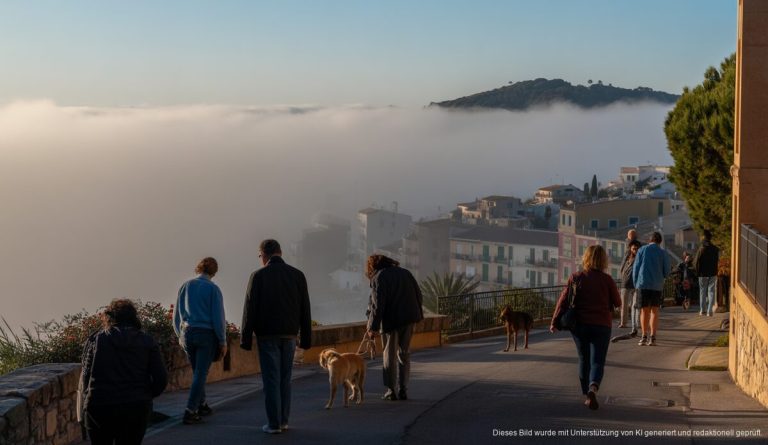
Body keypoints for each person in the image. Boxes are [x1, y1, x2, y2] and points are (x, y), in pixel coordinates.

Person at [240, 239, 312, 434]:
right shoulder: (297, 275)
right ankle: (284, 420)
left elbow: (249, 309)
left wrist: (245, 339)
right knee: (285, 379)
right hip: (289, 335)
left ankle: (273, 424)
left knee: (271, 379)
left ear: (264, 255)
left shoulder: (258, 276)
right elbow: (305, 309)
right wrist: (306, 338)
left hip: (267, 336)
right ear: (280, 253)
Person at [79, 299, 167, 445]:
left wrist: (88, 399)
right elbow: (161, 379)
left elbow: (86, 376)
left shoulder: (96, 340)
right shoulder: (147, 341)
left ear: (109, 318)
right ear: (134, 318)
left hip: (100, 406)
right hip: (136, 407)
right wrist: (145, 395)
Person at [550, 245, 621, 410]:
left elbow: (563, 300)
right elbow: (618, 302)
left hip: (580, 325)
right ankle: (593, 389)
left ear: (586, 258)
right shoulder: (608, 280)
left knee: (584, 359)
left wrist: (554, 322)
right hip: (602, 325)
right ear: (604, 260)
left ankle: (586, 395)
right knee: (597, 361)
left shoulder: (576, 277)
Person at [174, 257, 228, 424]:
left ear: (198, 268)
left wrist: (179, 336)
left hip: (188, 333)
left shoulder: (186, 286)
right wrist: (222, 341)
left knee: (197, 370)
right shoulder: (213, 289)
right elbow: (218, 318)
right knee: (201, 373)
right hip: (206, 335)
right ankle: (190, 410)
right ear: (214, 272)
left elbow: (177, 316)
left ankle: (202, 404)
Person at [365, 254, 424, 401]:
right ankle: (403, 389)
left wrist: (372, 328)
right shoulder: (405, 272)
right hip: (409, 318)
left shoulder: (379, 277)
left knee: (389, 356)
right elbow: (419, 295)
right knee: (404, 354)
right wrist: (417, 313)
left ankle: (392, 390)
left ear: (373, 266)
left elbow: (377, 306)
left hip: (391, 322)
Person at [632, 232, 670, 346]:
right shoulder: (663, 253)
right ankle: (653, 337)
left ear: (650, 240)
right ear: (660, 241)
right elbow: (667, 271)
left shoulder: (642, 250)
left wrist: (635, 284)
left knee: (644, 311)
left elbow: (636, 268)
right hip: (657, 286)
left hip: (642, 284)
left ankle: (644, 336)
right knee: (654, 311)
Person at [693, 230, 720, 317]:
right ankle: (710, 311)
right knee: (711, 292)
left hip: (702, 274)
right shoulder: (715, 249)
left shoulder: (701, 249)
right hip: (712, 273)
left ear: (703, 237)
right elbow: (717, 261)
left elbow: (696, 262)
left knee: (702, 291)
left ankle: (702, 310)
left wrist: (697, 272)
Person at [620, 240, 642, 335]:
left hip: (635, 284)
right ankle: (623, 322)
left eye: (636, 249)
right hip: (625, 283)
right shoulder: (627, 257)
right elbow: (622, 267)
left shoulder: (640, 258)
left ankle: (637, 323)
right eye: (633, 249)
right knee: (624, 304)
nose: (635, 250)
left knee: (635, 305)